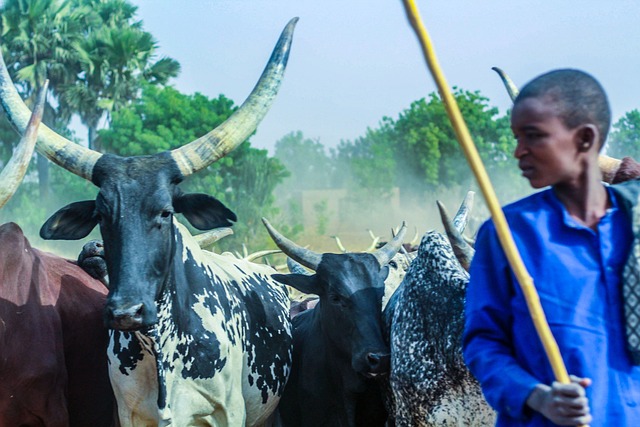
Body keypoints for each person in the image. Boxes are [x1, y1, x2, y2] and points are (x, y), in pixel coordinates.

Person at [463, 69, 640, 426]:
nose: (517, 151)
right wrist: (537, 396)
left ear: (585, 140)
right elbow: (483, 343)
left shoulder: (634, 222)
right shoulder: (507, 234)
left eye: (534, 136)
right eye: (517, 137)